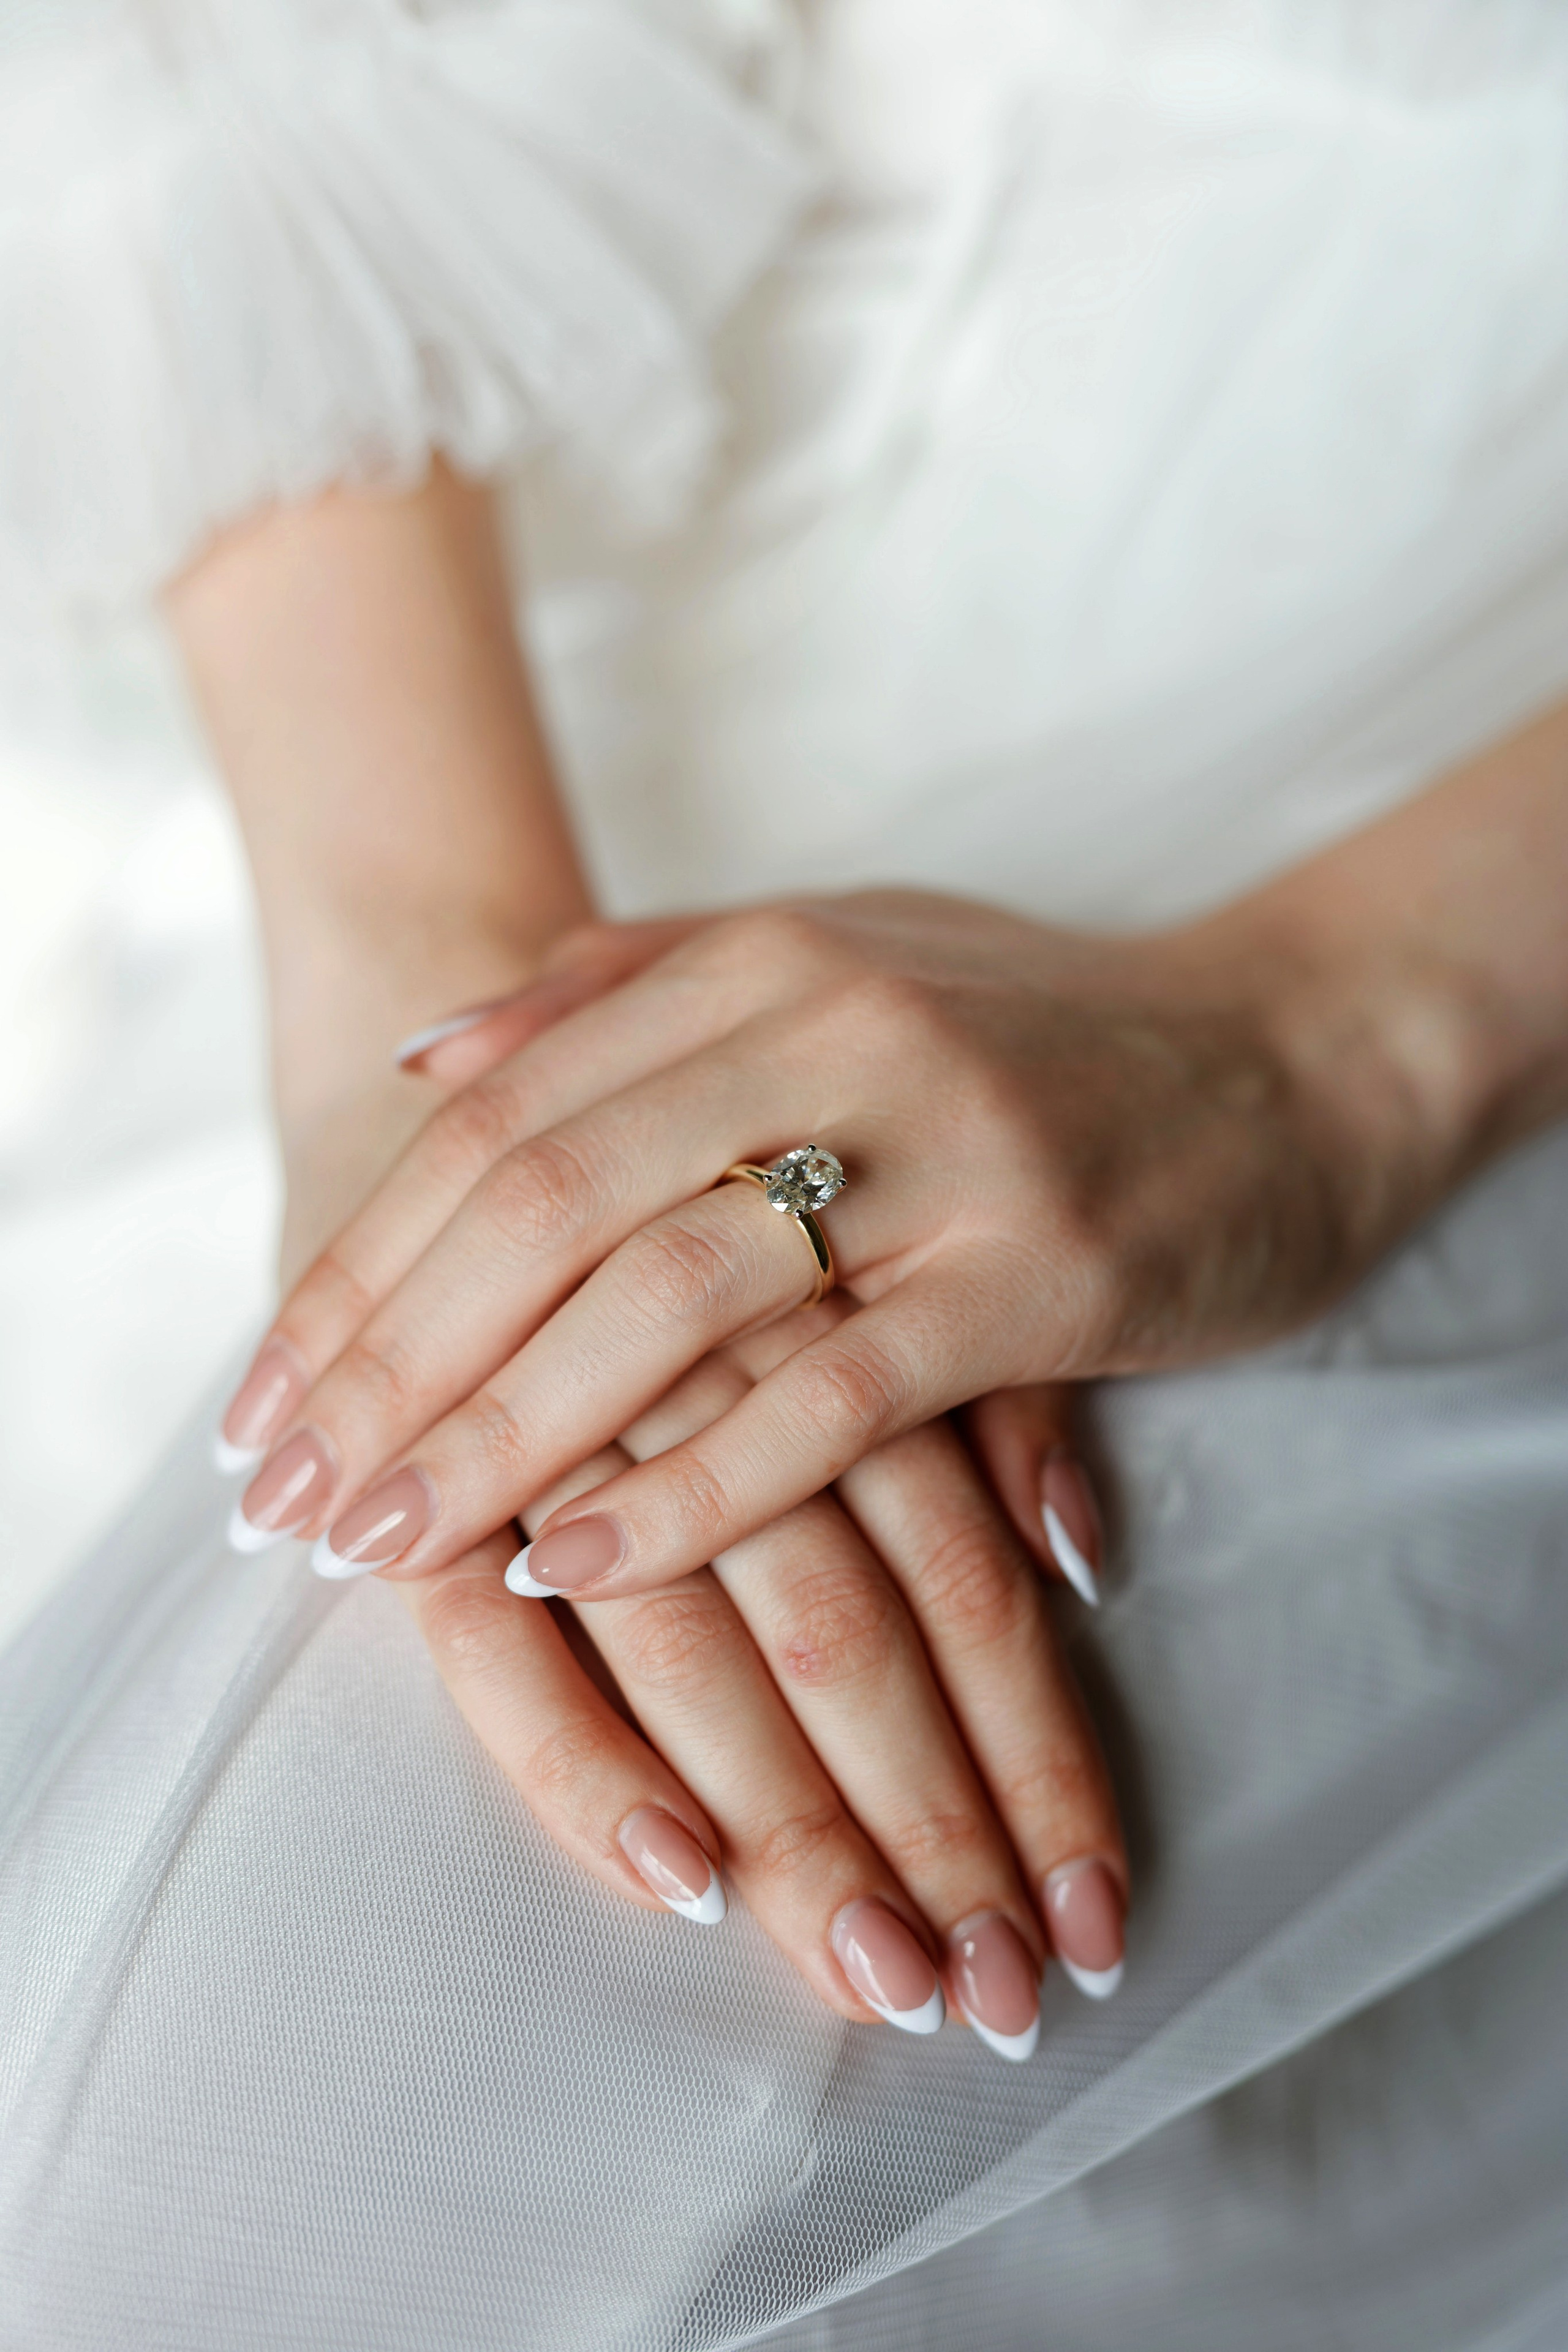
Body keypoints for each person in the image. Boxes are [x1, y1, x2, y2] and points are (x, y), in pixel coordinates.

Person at [2, 3, 1567, 2346]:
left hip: (1471, 788)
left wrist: (1342, 1032)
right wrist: (446, 1012)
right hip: (504, 554)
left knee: (383, 2029)